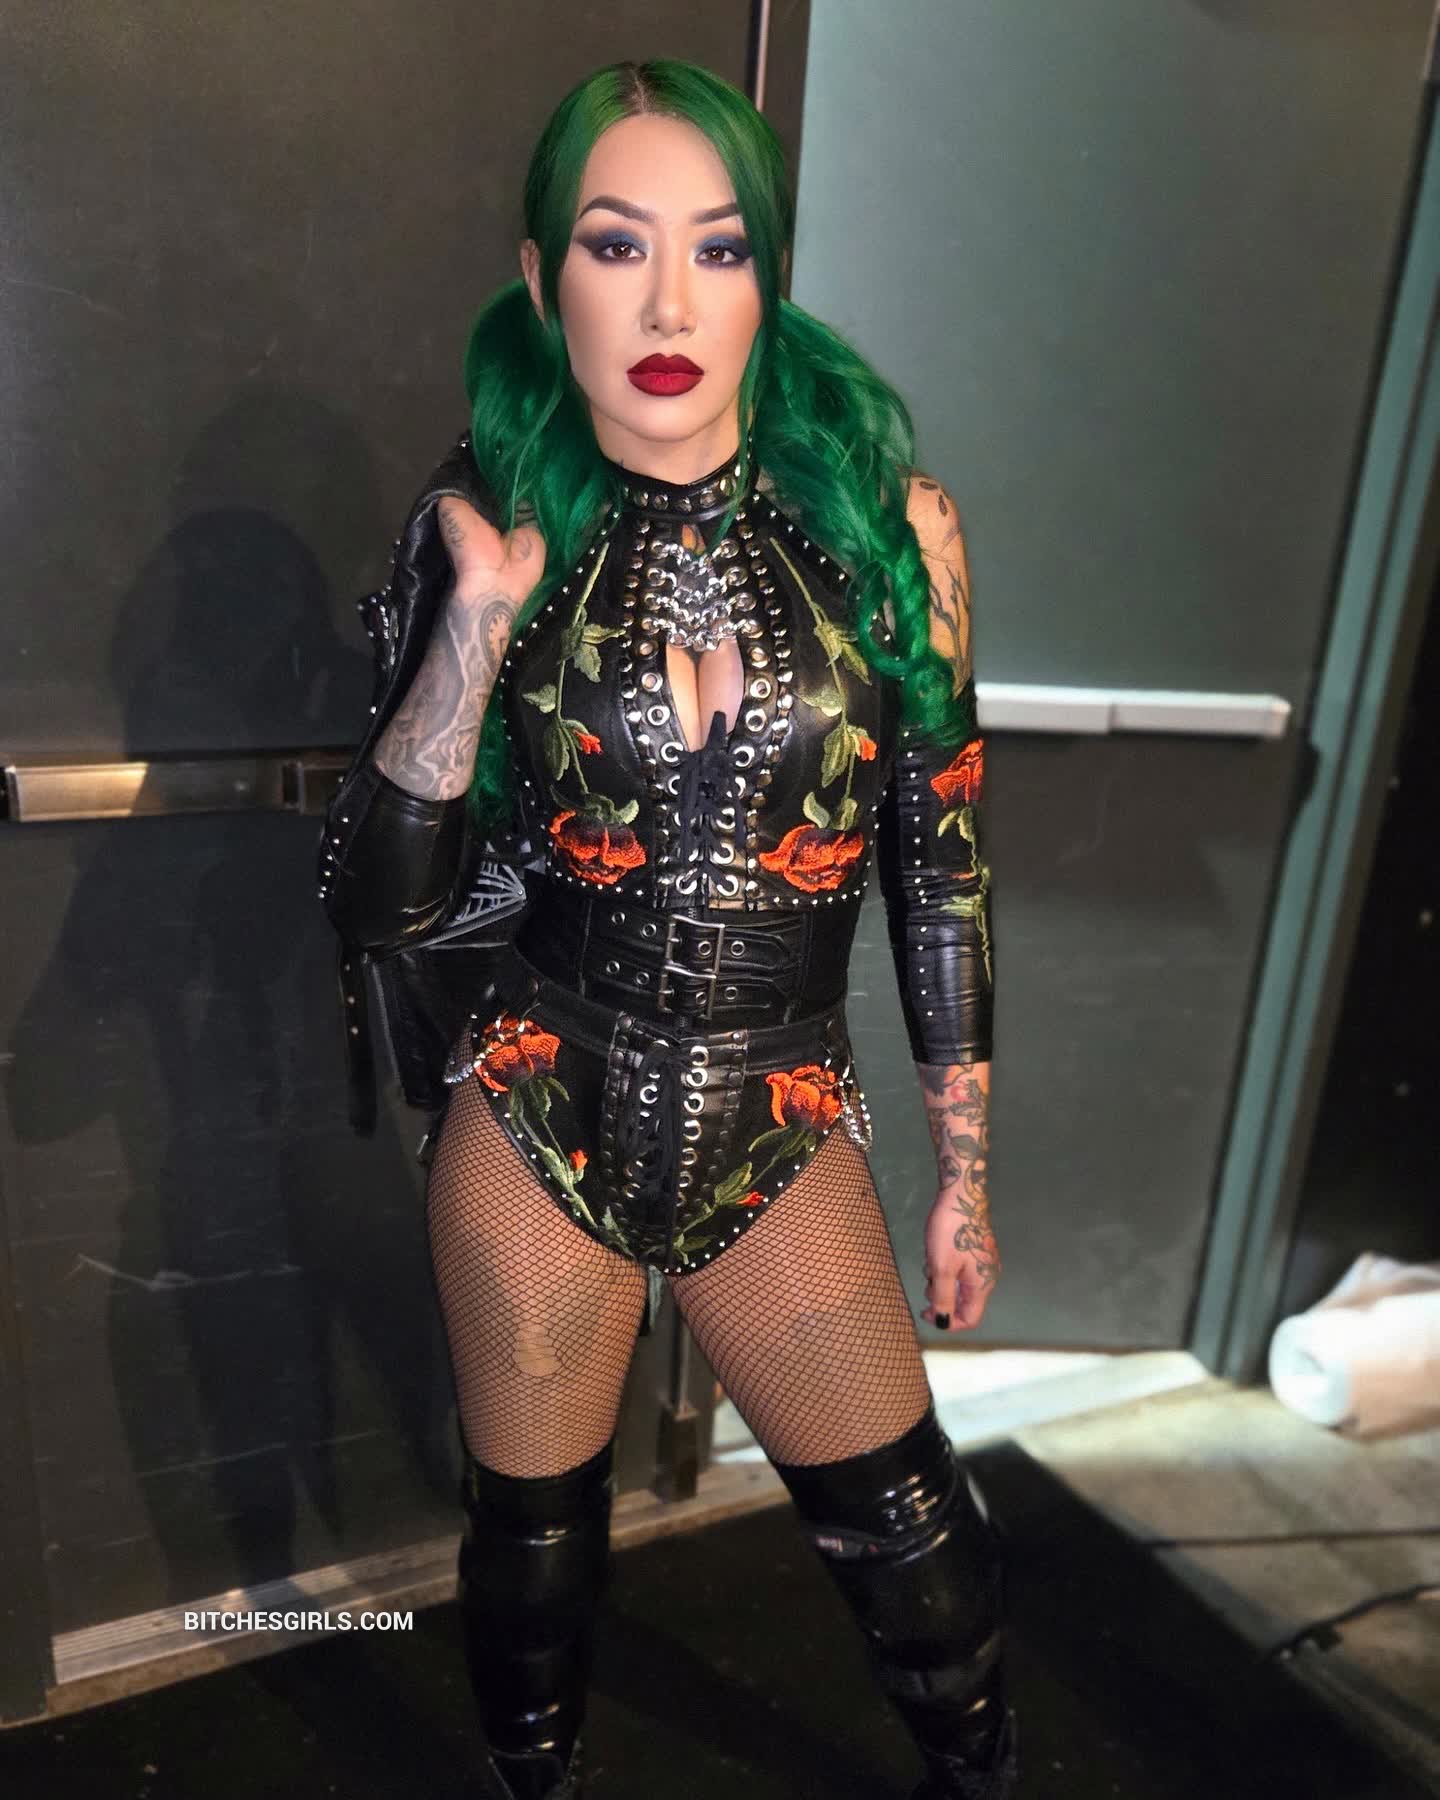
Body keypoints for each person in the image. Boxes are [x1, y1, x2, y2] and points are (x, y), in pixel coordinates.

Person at [319, 58, 1014, 1800]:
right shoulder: (486, 525)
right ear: (541, 272)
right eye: (617, 246)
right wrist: (475, 629)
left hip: (778, 1121)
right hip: (537, 1107)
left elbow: (942, 863)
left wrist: (965, 1170)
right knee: (532, 1554)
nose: (669, 307)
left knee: (919, 1556)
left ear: (769, 274)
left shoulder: (893, 533)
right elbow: (377, 902)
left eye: (719, 249)